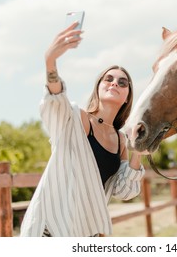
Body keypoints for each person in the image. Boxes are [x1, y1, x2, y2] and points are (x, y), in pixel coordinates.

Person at [20, 22, 145, 237]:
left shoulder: (121, 140)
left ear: (127, 97)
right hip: (51, 228)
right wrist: (50, 62)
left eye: (122, 82)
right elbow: (56, 101)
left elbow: (124, 190)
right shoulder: (75, 119)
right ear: (98, 86)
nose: (114, 83)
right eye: (109, 78)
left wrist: (139, 150)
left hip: (87, 233)